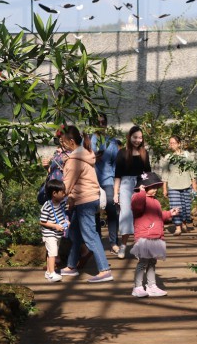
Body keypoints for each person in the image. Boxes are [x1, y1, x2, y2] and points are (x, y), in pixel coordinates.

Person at [58, 125, 113, 283]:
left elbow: (66, 186)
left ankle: (104, 270)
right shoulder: (86, 154)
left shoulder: (74, 161)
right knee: (75, 233)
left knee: (90, 235)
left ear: (71, 141)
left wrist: (55, 195)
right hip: (88, 199)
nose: (63, 145)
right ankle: (71, 266)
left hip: (84, 201)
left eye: (63, 142)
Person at [130, 172, 173, 297]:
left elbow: (158, 216)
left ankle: (151, 286)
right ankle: (137, 287)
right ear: (144, 187)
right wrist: (141, 193)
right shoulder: (138, 198)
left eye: (155, 187)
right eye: (152, 187)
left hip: (155, 236)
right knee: (143, 262)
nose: (155, 190)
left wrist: (169, 213)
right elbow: (137, 206)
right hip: (144, 236)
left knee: (152, 262)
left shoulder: (155, 201)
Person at [113, 125, 151, 259]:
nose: (137, 140)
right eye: (135, 137)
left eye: (140, 138)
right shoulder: (122, 153)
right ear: (129, 137)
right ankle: (123, 246)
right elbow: (117, 175)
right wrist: (116, 193)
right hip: (125, 185)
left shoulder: (144, 153)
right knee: (126, 215)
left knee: (140, 216)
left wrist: (148, 189)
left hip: (140, 186)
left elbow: (148, 173)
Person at [92, 115, 121, 253]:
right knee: (94, 211)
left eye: (103, 122)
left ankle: (113, 242)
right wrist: (93, 159)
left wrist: (116, 183)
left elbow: (116, 163)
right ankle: (97, 242)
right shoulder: (87, 141)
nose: (101, 124)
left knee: (112, 208)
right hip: (91, 180)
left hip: (108, 180)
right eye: (98, 122)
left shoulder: (112, 142)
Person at [162, 135, 197, 234]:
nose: (172, 145)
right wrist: (164, 188)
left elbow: (192, 171)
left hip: (186, 184)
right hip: (173, 185)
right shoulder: (168, 157)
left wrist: (194, 185)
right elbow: (165, 173)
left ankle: (184, 225)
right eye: (170, 143)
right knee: (175, 206)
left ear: (179, 144)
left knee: (186, 206)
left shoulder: (186, 155)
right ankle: (178, 228)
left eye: (174, 143)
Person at [38, 178, 69, 282]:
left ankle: (48, 271)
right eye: (62, 192)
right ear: (54, 193)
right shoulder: (47, 206)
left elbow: (62, 215)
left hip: (57, 234)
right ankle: (52, 273)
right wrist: (55, 226)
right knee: (53, 253)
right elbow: (42, 221)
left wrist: (66, 221)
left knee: (51, 253)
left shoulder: (61, 204)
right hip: (50, 234)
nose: (64, 194)